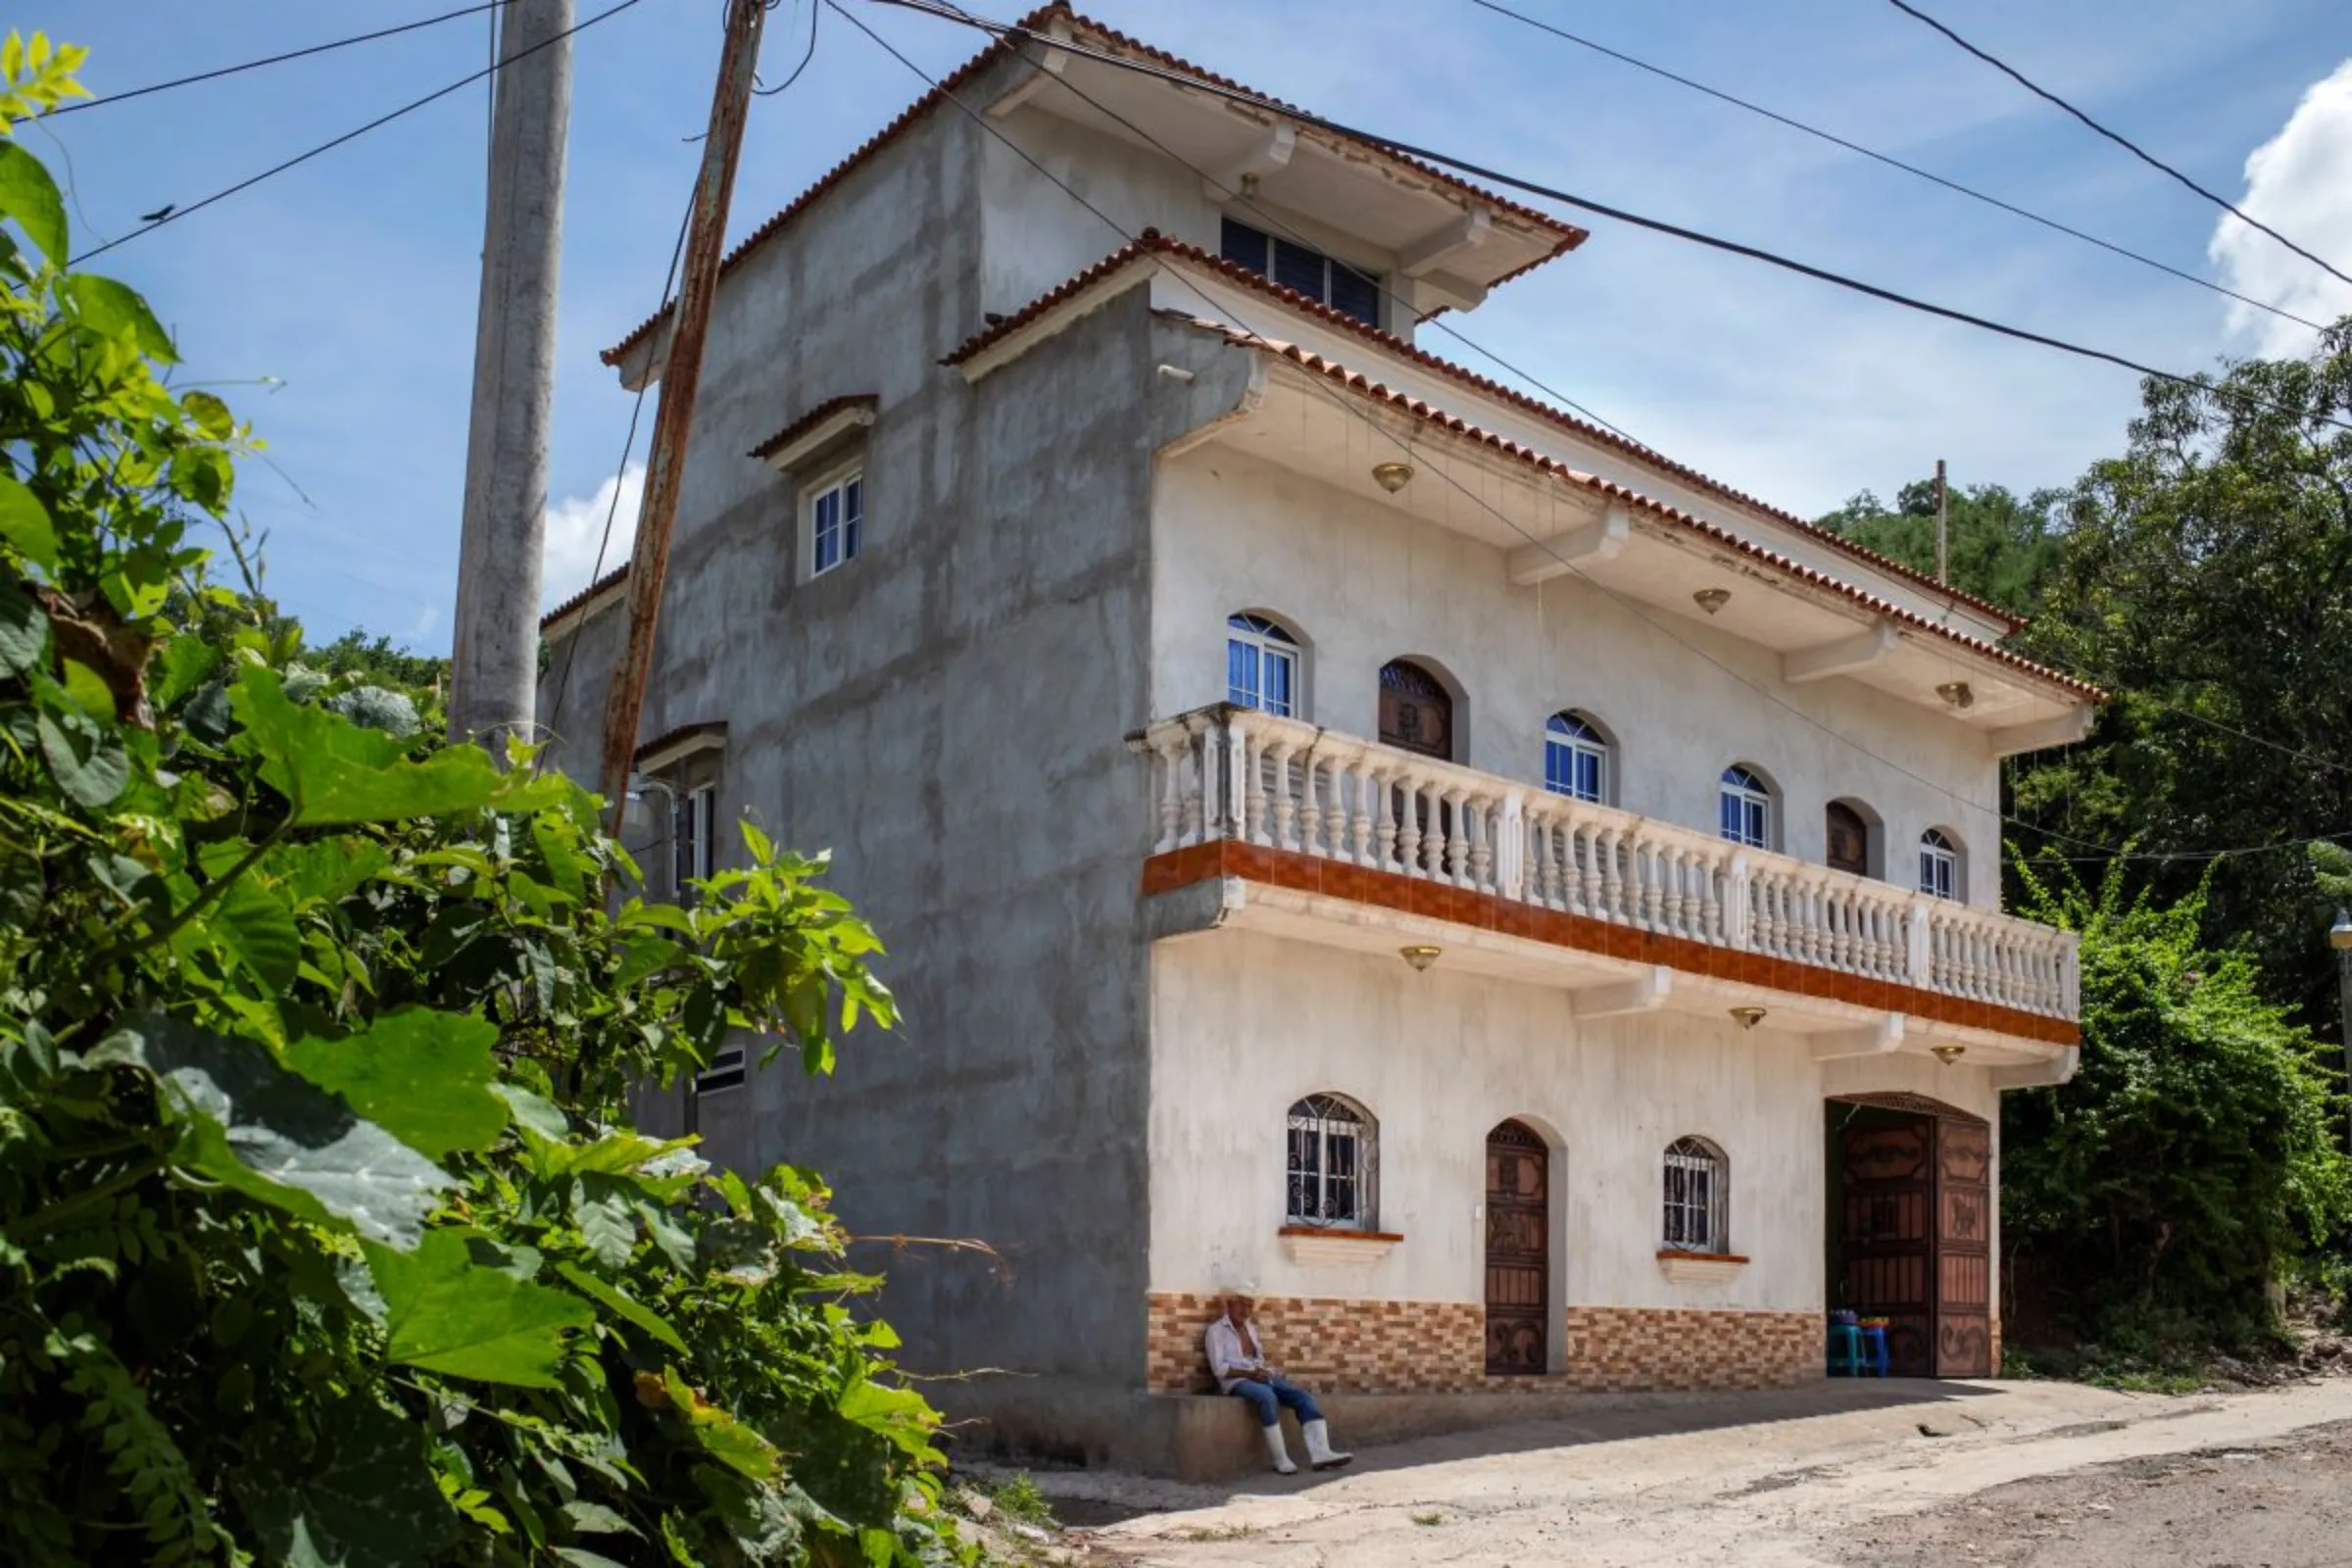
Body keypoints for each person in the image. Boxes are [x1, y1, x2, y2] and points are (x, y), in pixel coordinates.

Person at [1203, 1293, 1352, 1474]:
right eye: (1241, 1304)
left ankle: (1321, 1453)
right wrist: (1249, 1374)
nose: (1245, 1310)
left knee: (1302, 1396)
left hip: (1260, 1376)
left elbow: (1256, 1359)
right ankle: (1281, 1459)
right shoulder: (1216, 1331)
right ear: (1229, 1304)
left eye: (1249, 1305)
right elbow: (1218, 1368)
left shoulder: (1250, 1328)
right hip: (1237, 1381)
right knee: (1267, 1397)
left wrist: (1267, 1371)